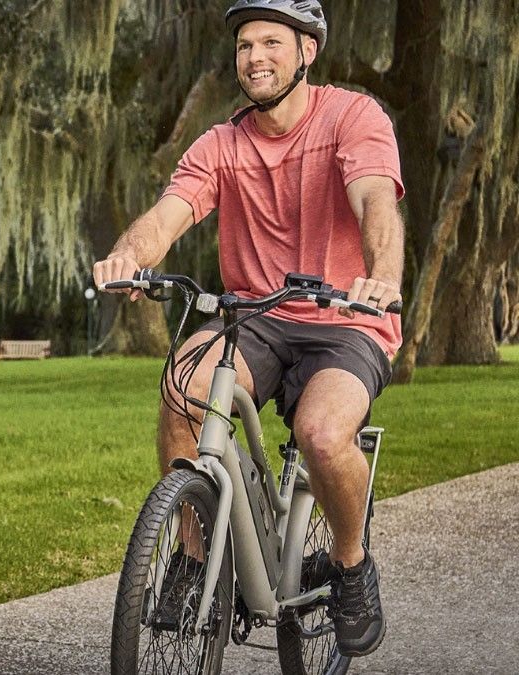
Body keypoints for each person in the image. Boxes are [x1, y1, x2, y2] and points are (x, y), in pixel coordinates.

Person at [92, 0, 402, 658]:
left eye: (270, 42)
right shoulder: (222, 144)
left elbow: (375, 199)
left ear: (307, 51)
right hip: (257, 318)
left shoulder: (353, 118)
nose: (254, 57)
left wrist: (380, 275)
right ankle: (193, 556)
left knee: (321, 432)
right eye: (243, 45)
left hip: (346, 319)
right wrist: (129, 257)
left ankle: (351, 566)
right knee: (182, 387)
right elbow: (166, 217)